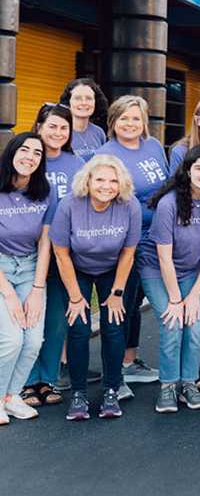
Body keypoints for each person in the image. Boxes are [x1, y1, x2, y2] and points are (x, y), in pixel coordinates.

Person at [142, 145, 200, 413]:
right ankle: (168, 387)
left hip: (192, 271)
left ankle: (189, 384)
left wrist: (193, 296)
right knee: (173, 323)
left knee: (192, 326)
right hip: (157, 270)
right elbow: (163, 257)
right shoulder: (170, 203)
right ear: (188, 170)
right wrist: (175, 299)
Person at [51, 155, 141, 420]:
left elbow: (128, 252)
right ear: (88, 180)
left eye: (113, 180)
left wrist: (117, 293)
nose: (107, 186)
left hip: (114, 268)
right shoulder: (69, 205)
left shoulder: (130, 205)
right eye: (100, 179)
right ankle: (78, 394)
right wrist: (77, 297)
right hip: (76, 266)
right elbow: (61, 253)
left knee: (114, 326)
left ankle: (111, 390)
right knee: (78, 326)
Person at [95, 96, 167, 391]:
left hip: (155, 237)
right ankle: (114, 377)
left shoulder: (153, 147)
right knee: (120, 303)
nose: (130, 124)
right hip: (125, 240)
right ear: (113, 122)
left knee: (135, 302)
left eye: (136, 118)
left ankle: (129, 362)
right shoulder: (106, 154)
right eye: (124, 118)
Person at [21, 105, 84, 407]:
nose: (58, 133)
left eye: (64, 128)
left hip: (63, 252)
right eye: (52, 127)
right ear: (39, 126)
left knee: (56, 320)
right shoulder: (29, 159)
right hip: (28, 251)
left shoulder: (77, 164)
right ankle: (27, 381)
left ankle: (48, 379)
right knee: (28, 317)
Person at [0, 133, 55, 424]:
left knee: (33, 340)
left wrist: (37, 288)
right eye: (24, 150)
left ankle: (11, 396)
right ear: (11, 152)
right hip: (1, 271)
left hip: (31, 269)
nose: (30, 157)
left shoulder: (45, 192)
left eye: (37, 153)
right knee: (10, 339)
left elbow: (45, 243)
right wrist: (8, 293)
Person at [60, 78, 107, 161]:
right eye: (77, 98)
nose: (84, 103)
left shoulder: (99, 133)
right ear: (68, 102)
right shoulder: (60, 132)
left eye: (89, 98)